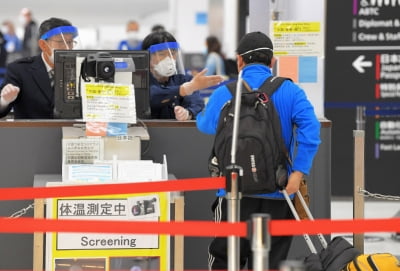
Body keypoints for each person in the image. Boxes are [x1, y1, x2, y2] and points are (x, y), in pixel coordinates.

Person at [196, 31, 321, 270]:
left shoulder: (226, 92)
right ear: (272, 62)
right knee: (269, 262)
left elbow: (205, 125)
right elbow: (311, 131)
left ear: (239, 60)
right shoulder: (291, 91)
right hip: (278, 190)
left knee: (224, 260)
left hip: (233, 194)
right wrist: (297, 173)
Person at [0, 17, 79, 119]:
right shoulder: (19, 70)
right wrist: (4, 100)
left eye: (70, 42)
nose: (68, 48)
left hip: (71, 133)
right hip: (31, 133)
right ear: (43, 45)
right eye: (61, 42)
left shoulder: (80, 71)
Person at [141, 30, 224, 120]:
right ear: (147, 57)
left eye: (172, 53)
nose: (169, 59)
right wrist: (182, 90)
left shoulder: (184, 80)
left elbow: (197, 104)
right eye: (161, 54)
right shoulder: (141, 81)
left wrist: (188, 113)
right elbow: (152, 96)